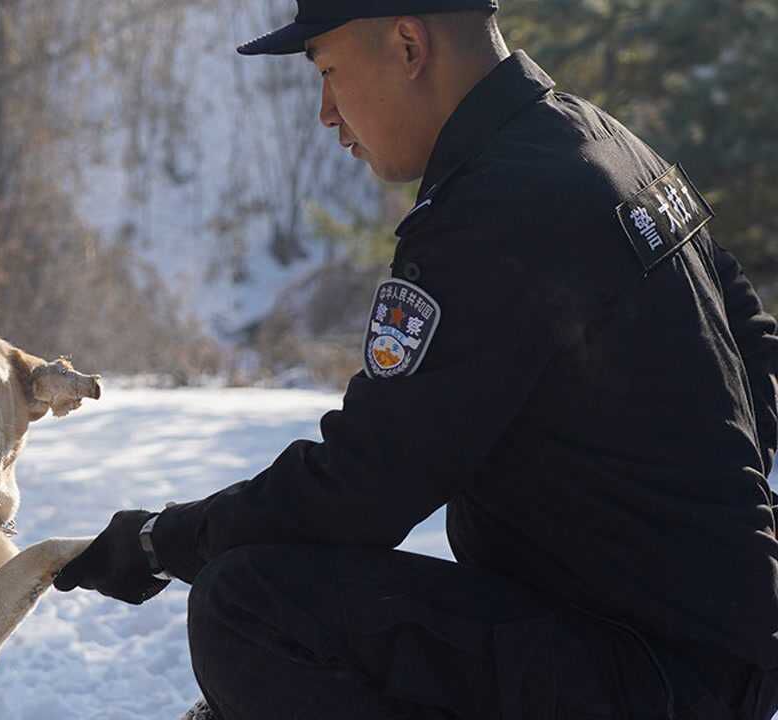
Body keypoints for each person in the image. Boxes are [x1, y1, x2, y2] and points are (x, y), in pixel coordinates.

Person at [53, 1, 778, 717]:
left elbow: (361, 489)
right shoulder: (605, 143)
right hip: (709, 649)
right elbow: (752, 343)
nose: (327, 113)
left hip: (647, 672)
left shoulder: (494, 209)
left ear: (407, 45)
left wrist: (159, 540)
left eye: (330, 70)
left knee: (249, 604)